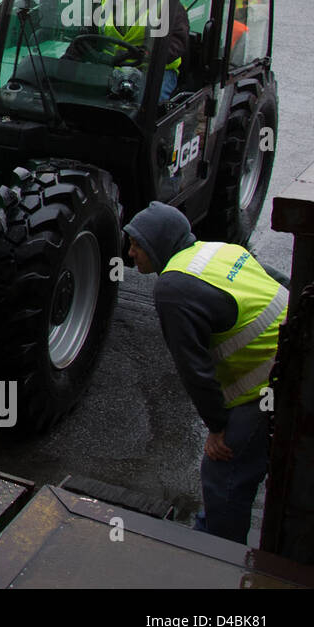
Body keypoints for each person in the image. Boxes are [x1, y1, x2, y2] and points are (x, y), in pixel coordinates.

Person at [124, 201, 286, 544]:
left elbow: (193, 369)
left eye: (137, 244)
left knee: (224, 467)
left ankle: (217, 553)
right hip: (293, 358)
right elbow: (278, 279)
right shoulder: (219, 249)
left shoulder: (173, 288)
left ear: (158, 244)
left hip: (270, 381)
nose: (131, 252)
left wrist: (217, 428)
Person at [105, 0, 189, 102]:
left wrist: (149, 55)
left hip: (154, 70)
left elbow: (178, 41)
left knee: (147, 104)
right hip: (112, 68)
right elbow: (87, 35)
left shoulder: (169, 2)